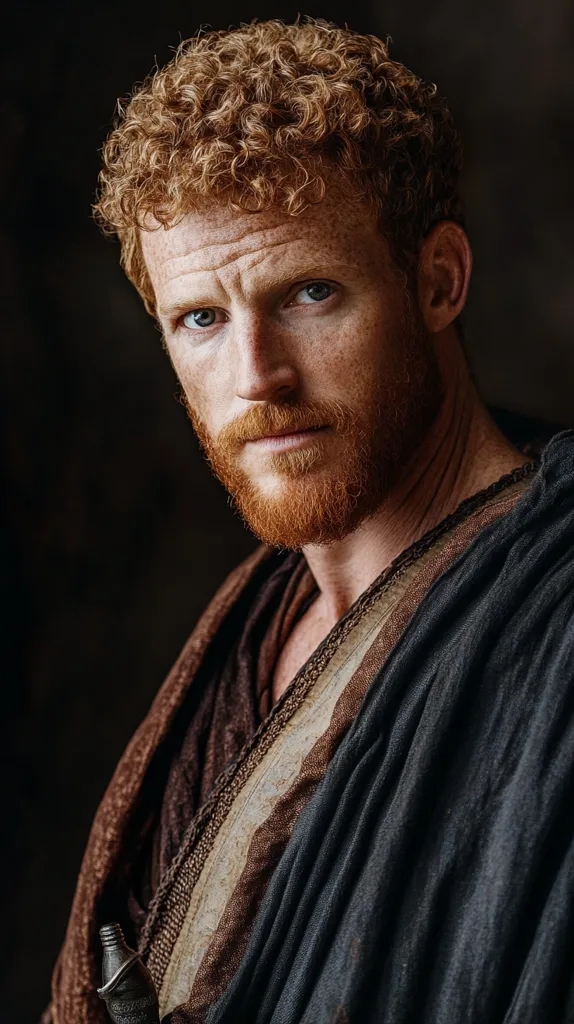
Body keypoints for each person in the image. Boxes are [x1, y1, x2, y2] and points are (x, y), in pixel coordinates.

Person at [44, 18, 574, 1024]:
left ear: (437, 281)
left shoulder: (554, 624)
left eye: (309, 294)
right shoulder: (252, 621)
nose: (257, 379)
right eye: (199, 318)